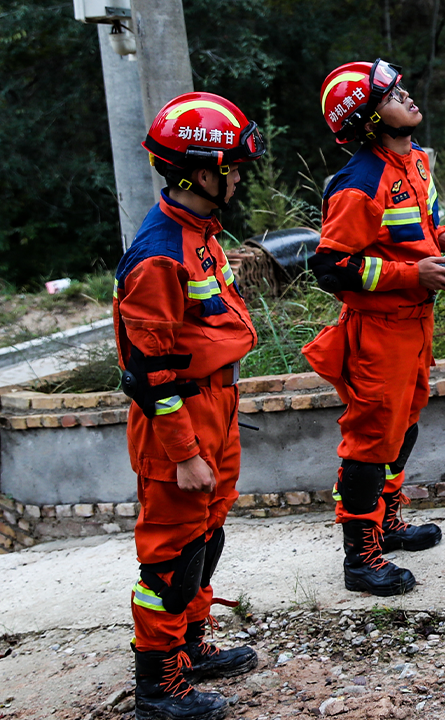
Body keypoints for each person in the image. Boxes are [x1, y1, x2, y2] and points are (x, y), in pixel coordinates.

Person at [114, 92, 266, 720]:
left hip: (217, 407)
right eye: (232, 167)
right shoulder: (157, 254)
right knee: (171, 558)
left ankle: (192, 647)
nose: (237, 177)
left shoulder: (199, 233)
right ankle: (159, 685)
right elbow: (146, 370)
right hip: (179, 420)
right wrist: (184, 453)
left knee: (206, 539)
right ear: (201, 173)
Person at [304, 59, 445, 597]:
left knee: (403, 429)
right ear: (368, 120)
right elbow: (330, 268)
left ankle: (386, 522)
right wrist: (414, 272)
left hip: (414, 323)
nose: (406, 96)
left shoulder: (417, 162)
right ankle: (360, 559)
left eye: (401, 87)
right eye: (390, 94)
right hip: (378, 331)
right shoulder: (358, 183)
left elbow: (419, 224)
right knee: (369, 442)